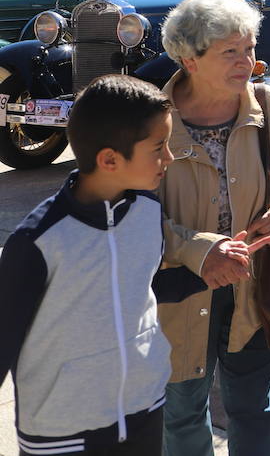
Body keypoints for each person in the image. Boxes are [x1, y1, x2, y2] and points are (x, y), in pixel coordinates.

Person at [0, 75, 203, 456]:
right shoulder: (37, 242)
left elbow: (134, 289)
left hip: (145, 410)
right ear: (109, 159)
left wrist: (202, 277)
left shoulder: (148, 212)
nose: (170, 158)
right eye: (159, 147)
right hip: (62, 436)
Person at [157, 0, 270, 456]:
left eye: (248, 48)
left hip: (254, 287)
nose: (247, 61)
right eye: (230, 52)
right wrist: (199, 251)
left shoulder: (268, 105)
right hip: (179, 294)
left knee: (255, 407)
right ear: (189, 58)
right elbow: (129, 212)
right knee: (181, 412)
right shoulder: (152, 118)